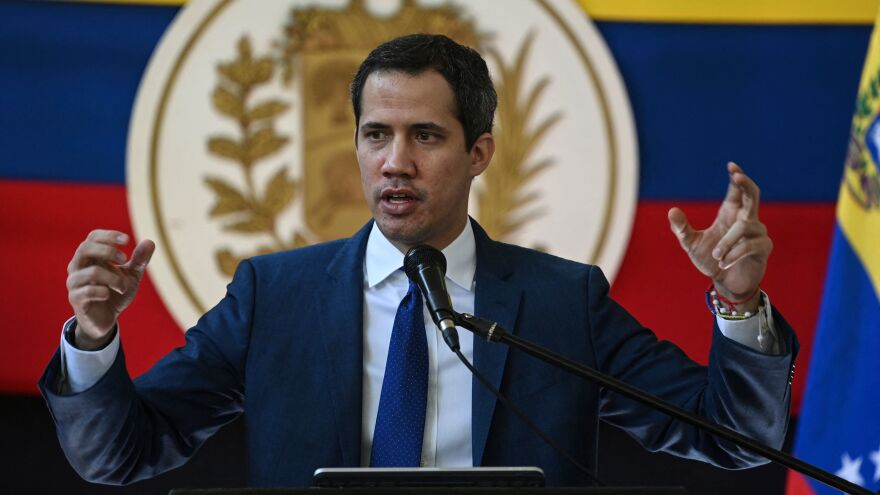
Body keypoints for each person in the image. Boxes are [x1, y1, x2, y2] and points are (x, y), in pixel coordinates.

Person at [40, 34, 797, 487]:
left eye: (425, 137)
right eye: (376, 134)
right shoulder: (275, 296)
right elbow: (119, 453)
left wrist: (737, 303)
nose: (394, 161)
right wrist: (95, 339)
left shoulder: (563, 300)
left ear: (478, 153)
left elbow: (732, 438)